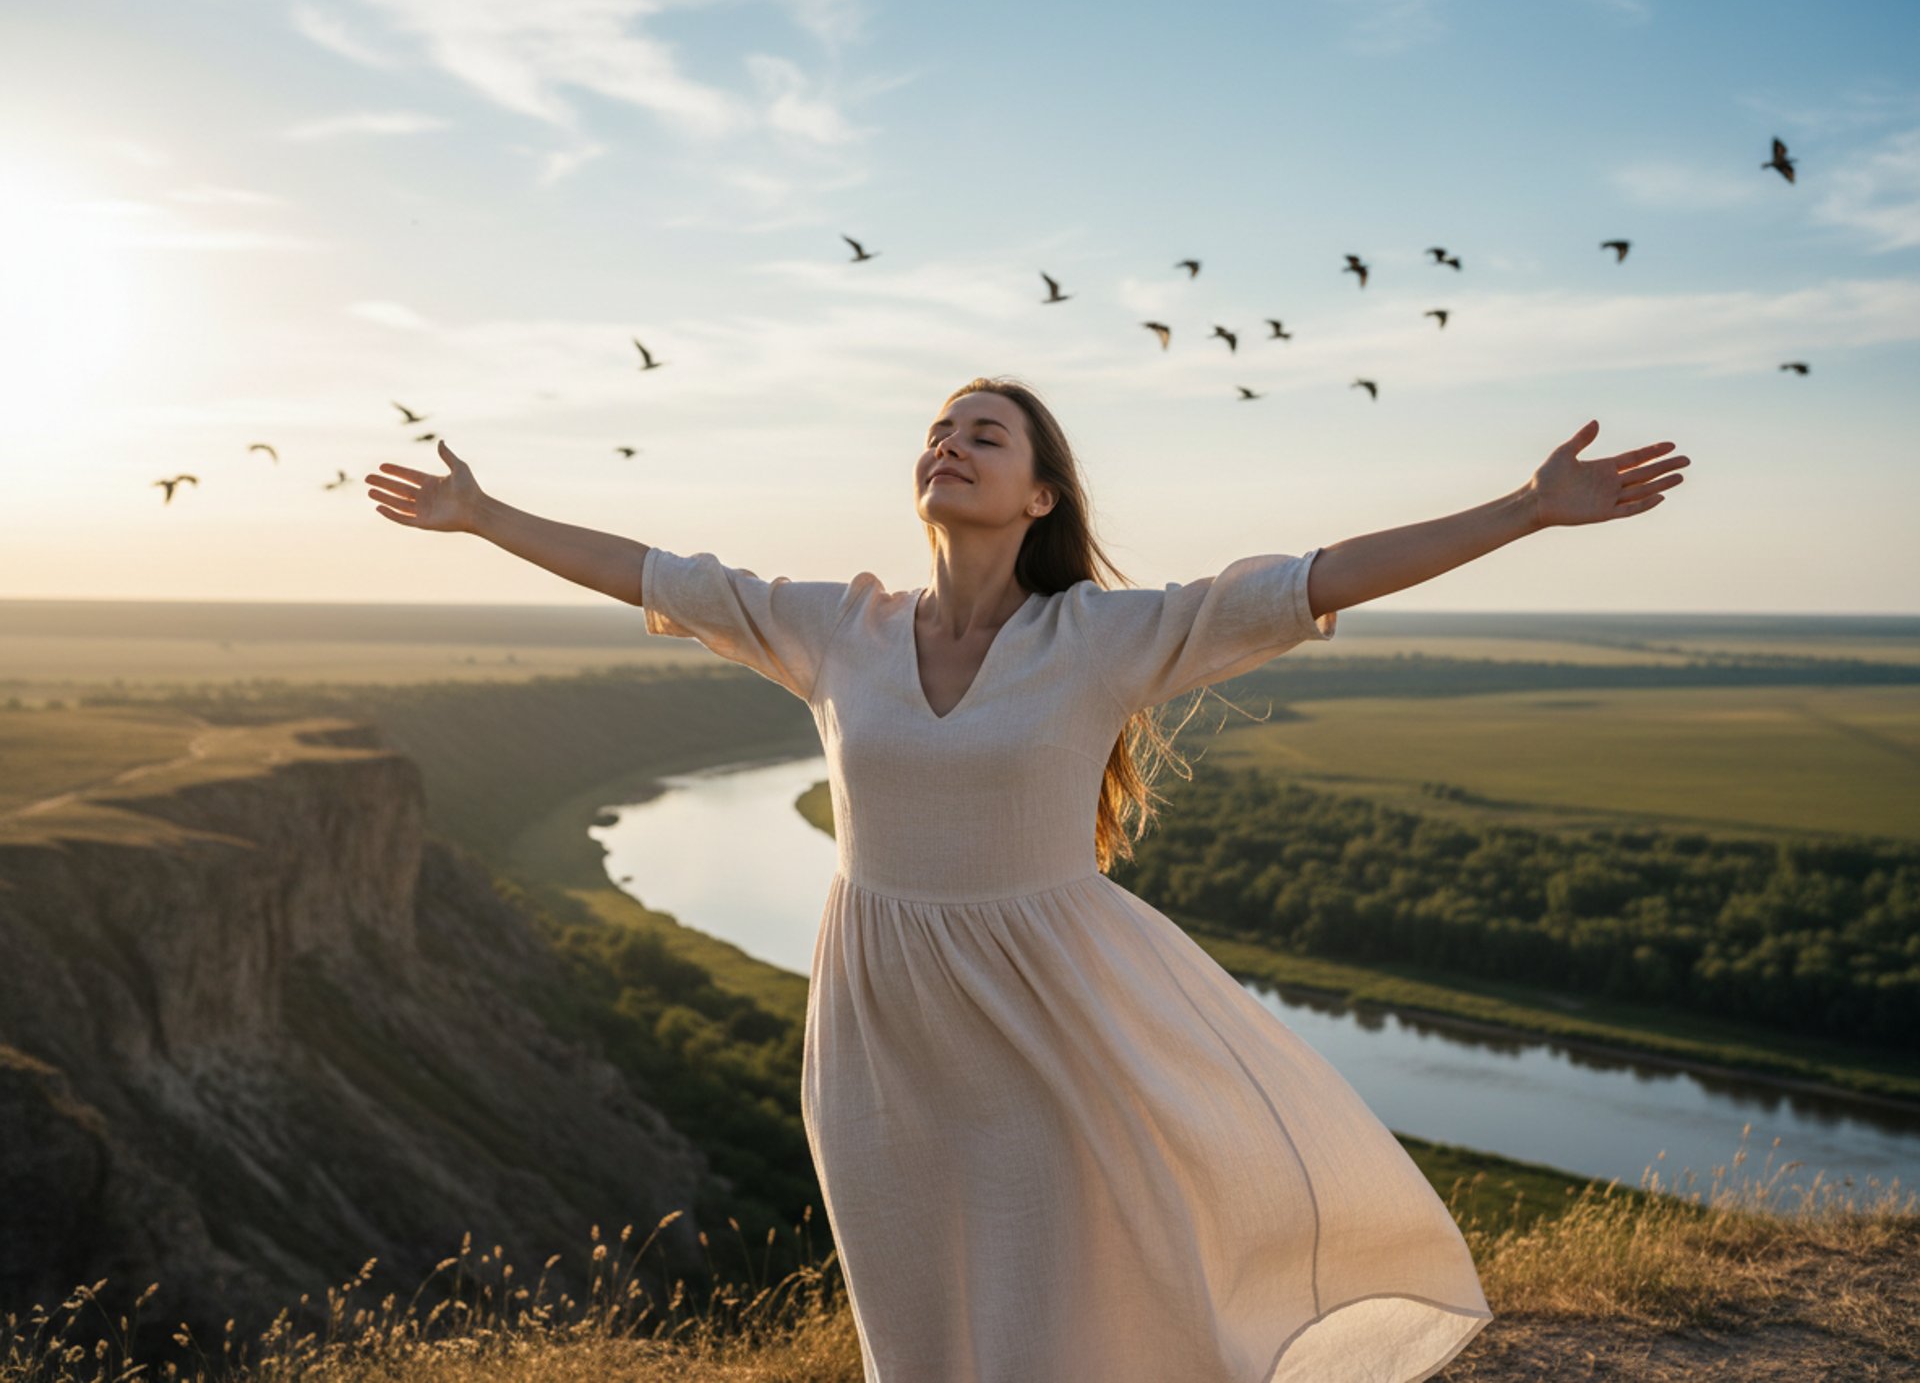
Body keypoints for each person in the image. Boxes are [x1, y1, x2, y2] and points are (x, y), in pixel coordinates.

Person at [365, 376, 1688, 1382]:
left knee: (1058, 1314)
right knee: (923, 1332)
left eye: (985, 433)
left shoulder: (1103, 635)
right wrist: (481, 516)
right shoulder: (838, 628)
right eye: (939, 429)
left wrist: (1527, 509)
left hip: (1050, 1021)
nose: (949, 443)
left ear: (1040, 495)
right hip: (879, 1033)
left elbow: (1316, 579)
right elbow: (651, 575)